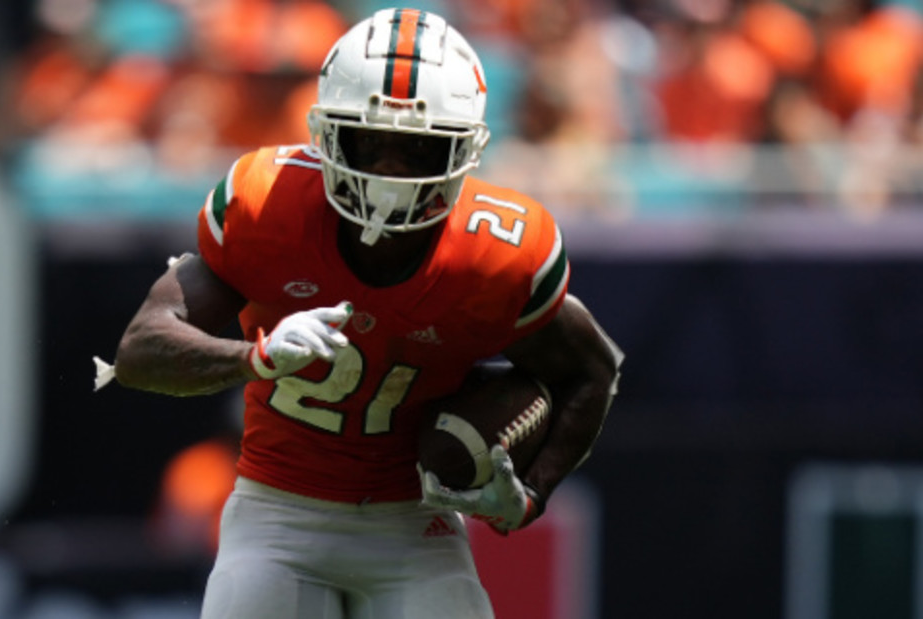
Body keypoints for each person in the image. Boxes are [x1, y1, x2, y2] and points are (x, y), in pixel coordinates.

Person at [100, 8, 623, 618]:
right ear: (325, 133)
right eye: (369, 140)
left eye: (417, 148)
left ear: (463, 151)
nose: (389, 170)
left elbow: (591, 370)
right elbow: (139, 351)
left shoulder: (498, 252)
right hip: (278, 514)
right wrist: (255, 358)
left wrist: (532, 494)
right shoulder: (268, 204)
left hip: (414, 527)